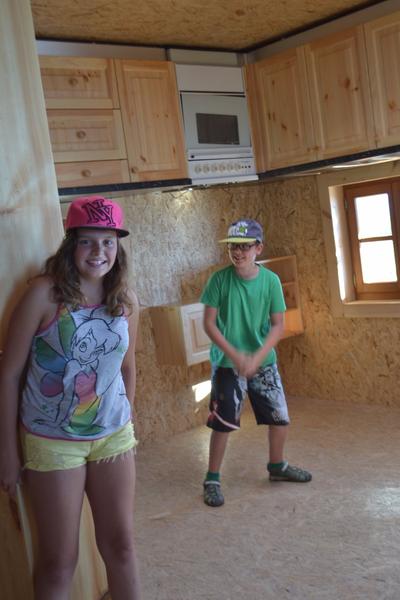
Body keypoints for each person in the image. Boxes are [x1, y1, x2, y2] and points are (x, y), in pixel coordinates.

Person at [0, 196, 141, 599]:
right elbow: (8, 375)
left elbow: (127, 367)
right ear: (71, 244)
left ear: (118, 247)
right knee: (59, 561)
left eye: (108, 241)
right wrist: (7, 452)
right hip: (52, 442)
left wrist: (126, 421)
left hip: (112, 437)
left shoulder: (126, 299)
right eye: (87, 241)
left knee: (121, 546)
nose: (99, 251)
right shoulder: (43, 295)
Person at [200, 219, 311, 507]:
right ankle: (212, 478)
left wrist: (257, 358)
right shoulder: (219, 280)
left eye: (245, 247)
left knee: (279, 418)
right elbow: (209, 324)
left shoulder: (271, 281)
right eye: (233, 247)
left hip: (264, 362)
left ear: (258, 248)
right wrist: (236, 356)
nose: (238, 252)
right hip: (227, 363)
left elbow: (277, 325)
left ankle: (277, 466)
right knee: (222, 424)